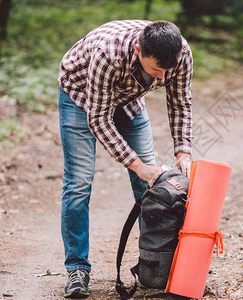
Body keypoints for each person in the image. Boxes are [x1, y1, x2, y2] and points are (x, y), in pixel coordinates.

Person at [57, 20, 193, 299]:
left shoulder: (181, 53)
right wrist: (139, 166)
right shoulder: (108, 54)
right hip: (81, 95)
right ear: (138, 49)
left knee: (153, 188)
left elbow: (180, 102)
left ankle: (155, 265)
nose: (161, 77)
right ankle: (77, 269)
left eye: (167, 71)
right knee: (79, 183)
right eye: (156, 69)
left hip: (129, 99)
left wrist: (183, 150)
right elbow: (98, 118)